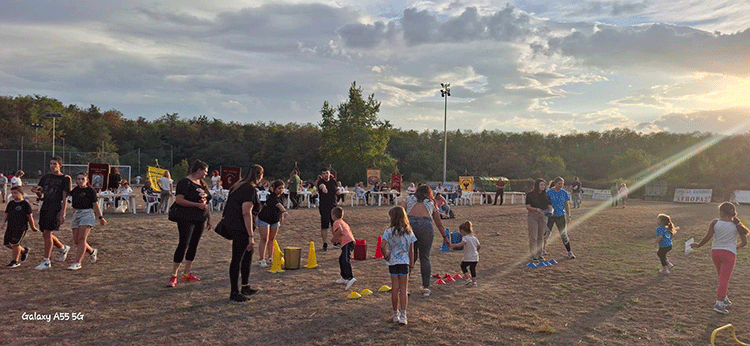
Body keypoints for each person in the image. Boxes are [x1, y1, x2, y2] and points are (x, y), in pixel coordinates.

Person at [691, 202, 749, 314]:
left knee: (721, 276)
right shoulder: (736, 226)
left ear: (721, 212)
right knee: (724, 278)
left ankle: (724, 297)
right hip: (729, 254)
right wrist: (735, 246)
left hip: (715, 252)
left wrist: (698, 245)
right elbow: (744, 243)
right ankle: (719, 303)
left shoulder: (715, 222)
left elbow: (707, 237)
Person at [166, 160, 211, 288]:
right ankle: (174, 275)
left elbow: (206, 203)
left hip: (200, 219)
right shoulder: (184, 182)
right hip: (186, 217)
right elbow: (179, 200)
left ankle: (187, 272)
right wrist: (197, 205)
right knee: (183, 244)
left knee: (194, 245)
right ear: (199, 170)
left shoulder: (202, 184)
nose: (206, 175)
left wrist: (209, 219)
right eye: (205, 171)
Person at [220, 164, 262, 302]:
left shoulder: (238, 185)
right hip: (241, 228)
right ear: (258, 175)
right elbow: (246, 212)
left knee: (247, 256)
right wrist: (250, 235)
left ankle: (245, 285)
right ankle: (234, 292)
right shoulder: (248, 188)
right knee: (237, 259)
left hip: (235, 225)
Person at [401, 185, 448, 297]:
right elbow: (438, 223)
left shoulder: (409, 199)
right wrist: (445, 237)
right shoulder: (431, 202)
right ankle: (426, 288)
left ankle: (404, 287)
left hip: (410, 225)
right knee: (425, 258)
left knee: (410, 257)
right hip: (426, 226)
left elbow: (400, 211)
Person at [33, 157, 72, 270]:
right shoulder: (46, 177)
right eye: (51, 164)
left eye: (55, 164)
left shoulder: (65, 178)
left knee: (48, 232)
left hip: (56, 206)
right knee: (45, 233)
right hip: (45, 205)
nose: (52, 166)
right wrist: (38, 193)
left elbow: (65, 197)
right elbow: (41, 194)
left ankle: (46, 260)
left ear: (60, 165)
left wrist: (62, 213)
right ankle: (62, 247)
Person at [381, 206, 417, 325]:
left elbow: (382, 246)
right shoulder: (408, 231)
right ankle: (403, 314)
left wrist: (386, 255)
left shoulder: (388, 231)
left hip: (393, 261)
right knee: (404, 289)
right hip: (404, 262)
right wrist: (411, 264)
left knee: (395, 288)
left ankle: (395, 313)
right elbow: (411, 250)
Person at [67, 173, 106, 270]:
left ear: (87, 180)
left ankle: (77, 262)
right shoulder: (75, 190)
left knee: (81, 239)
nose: (81, 181)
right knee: (77, 241)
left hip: (87, 213)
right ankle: (92, 251)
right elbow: (67, 197)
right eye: (79, 179)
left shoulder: (90, 191)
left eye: (83, 179)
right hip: (76, 213)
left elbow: (95, 204)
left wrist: (100, 217)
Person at [256, 180, 289, 268]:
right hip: (264, 219)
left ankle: (271, 257)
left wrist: (279, 222)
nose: (281, 190)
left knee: (272, 239)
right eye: (279, 188)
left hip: (274, 220)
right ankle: (261, 259)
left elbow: (280, 212)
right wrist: (285, 211)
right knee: (264, 238)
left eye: (282, 188)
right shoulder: (272, 197)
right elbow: (279, 206)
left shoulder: (282, 197)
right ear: (274, 189)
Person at [2, 186, 37, 267]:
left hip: (21, 227)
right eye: (12, 193)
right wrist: (3, 222)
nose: (13, 195)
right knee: (7, 243)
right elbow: (6, 213)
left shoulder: (25, 204)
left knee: (15, 244)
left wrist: (33, 227)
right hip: (10, 227)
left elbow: (30, 217)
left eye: (15, 193)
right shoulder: (11, 204)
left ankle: (15, 261)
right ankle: (24, 250)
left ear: (22, 193)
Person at [546, 177, 575, 259]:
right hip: (550, 216)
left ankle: (569, 252)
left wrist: (568, 215)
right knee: (547, 233)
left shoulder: (564, 193)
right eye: (559, 184)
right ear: (555, 184)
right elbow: (544, 203)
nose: (561, 185)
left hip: (560, 216)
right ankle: (542, 249)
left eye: (562, 184)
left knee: (564, 234)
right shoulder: (548, 192)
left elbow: (567, 205)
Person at [526, 178, 553, 264]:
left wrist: (551, 211)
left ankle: (539, 253)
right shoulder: (530, 194)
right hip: (533, 216)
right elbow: (527, 206)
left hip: (543, 216)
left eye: (544, 185)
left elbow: (550, 205)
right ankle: (533, 255)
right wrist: (535, 209)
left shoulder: (546, 195)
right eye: (541, 185)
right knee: (533, 236)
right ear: (537, 185)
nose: (543, 186)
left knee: (541, 236)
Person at [330, 206, 356, 290]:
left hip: (347, 242)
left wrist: (334, 239)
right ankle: (344, 277)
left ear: (333, 215)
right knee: (341, 259)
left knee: (345, 259)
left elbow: (340, 231)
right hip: (350, 241)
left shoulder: (336, 223)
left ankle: (350, 277)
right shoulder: (343, 222)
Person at [449, 221, 481, 286]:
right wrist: (476, 251)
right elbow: (479, 246)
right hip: (475, 257)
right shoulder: (474, 238)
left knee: (463, 266)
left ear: (463, 231)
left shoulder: (465, 238)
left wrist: (453, 245)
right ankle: (474, 282)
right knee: (472, 269)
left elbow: (461, 244)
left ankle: (467, 279)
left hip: (468, 257)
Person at [317, 168, 340, 251]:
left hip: (333, 207)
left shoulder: (333, 181)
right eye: (324, 173)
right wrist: (323, 188)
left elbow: (337, 188)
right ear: (322, 175)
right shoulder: (320, 182)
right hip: (324, 207)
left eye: (327, 173)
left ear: (330, 174)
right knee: (324, 226)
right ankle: (325, 243)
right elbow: (321, 186)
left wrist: (338, 191)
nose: (325, 175)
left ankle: (336, 242)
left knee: (334, 225)